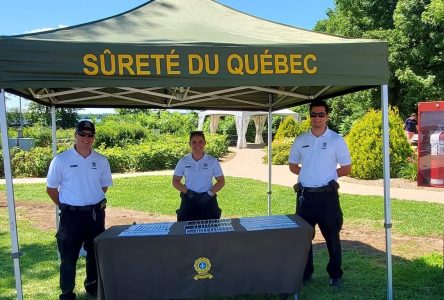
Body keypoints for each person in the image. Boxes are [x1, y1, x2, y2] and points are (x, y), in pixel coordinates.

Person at [288, 100, 351, 288]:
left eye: (321, 115)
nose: (317, 118)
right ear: (310, 116)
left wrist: (329, 175)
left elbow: (346, 168)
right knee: (304, 238)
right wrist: (309, 173)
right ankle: (306, 274)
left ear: (327, 116)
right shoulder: (301, 140)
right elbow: (292, 166)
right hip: (305, 196)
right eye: (313, 115)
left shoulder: (336, 140)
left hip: (327, 197)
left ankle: (335, 275)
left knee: (332, 237)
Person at [46, 120, 112, 300]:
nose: (86, 138)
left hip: (94, 215)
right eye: (82, 134)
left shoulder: (101, 160)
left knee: (94, 254)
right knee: (68, 258)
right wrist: (66, 206)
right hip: (71, 216)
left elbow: (103, 186)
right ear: (75, 135)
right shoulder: (61, 159)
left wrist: (88, 199)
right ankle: (67, 293)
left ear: (94, 137)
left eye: (90, 135)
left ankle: (92, 287)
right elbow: (51, 189)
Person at [172, 131, 225, 221]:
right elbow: (175, 181)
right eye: (194, 142)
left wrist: (209, 194)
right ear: (190, 144)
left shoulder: (212, 161)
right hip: (189, 199)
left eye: (200, 141)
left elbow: (221, 181)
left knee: (211, 230)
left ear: (205, 143)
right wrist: (188, 192)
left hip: (208, 200)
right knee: (186, 228)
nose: (197, 145)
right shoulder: (183, 161)